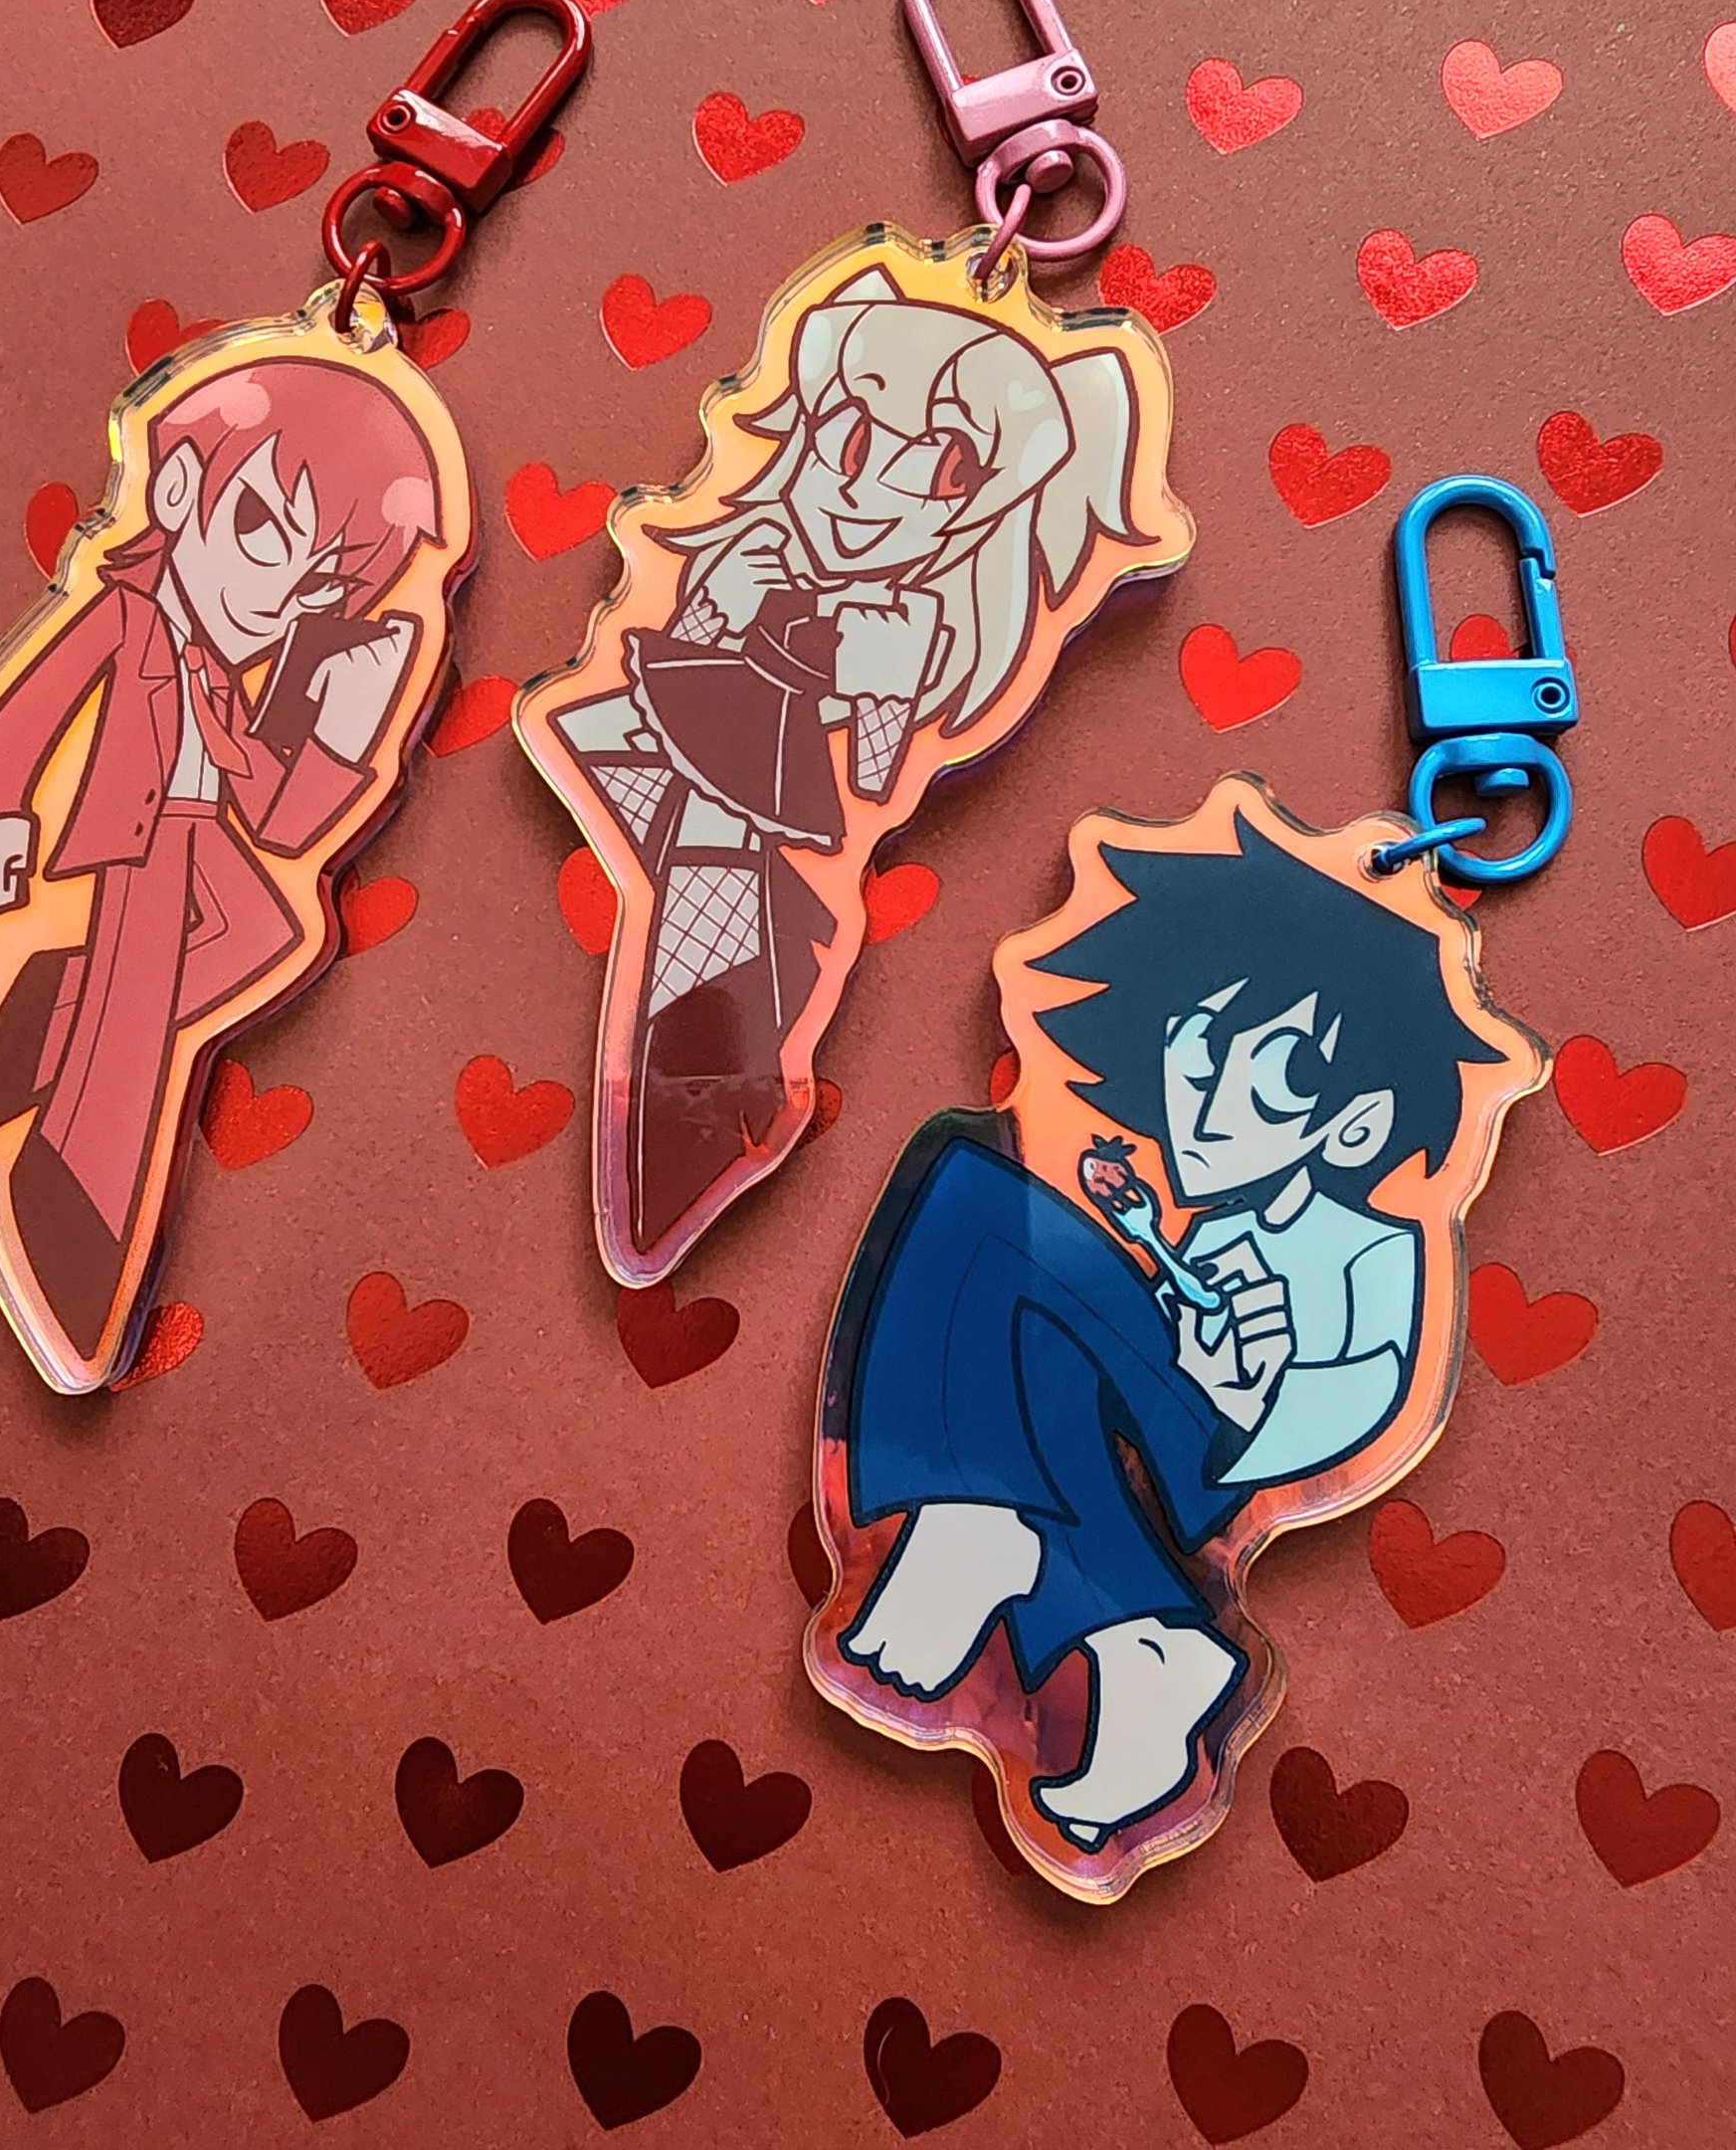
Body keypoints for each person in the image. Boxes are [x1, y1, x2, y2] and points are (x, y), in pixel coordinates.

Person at [836, 818, 1508, 1848]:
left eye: (1274, 1078)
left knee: (976, 1203)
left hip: (1234, 1449)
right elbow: (1157, 1337)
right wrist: (1158, 1269)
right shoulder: (1220, 1221)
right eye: (1195, 1054)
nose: (1208, 1108)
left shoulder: (1376, 1245)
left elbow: (1372, 1382)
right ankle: (1144, 1645)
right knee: (1025, 1321)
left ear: (1357, 1125)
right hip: (1173, 1417)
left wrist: (1256, 1401)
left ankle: (1004, 1537)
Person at [544, 263, 1141, 1263]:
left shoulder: (913, 627)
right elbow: (665, 672)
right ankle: (688, 1109)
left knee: (738, 910)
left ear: (986, 510)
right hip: (664, 756)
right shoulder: (748, 550)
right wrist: (720, 605)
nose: (869, 488)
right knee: (702, 890)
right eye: (851, 440)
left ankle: (693, 1109)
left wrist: (882, 689)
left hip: (775, 808)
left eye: (945, 470)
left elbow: (875, 784)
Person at [0, 355, 442, 1375]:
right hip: (131, 854)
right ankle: (70, 1237)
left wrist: (340, 729)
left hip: (200, 861)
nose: (276, 597)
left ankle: (11, 1069)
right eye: (264, 531)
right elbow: (24, 716)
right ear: (177, 488)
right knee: (128, 1046)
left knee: (237, 957)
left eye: (319, 583)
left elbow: (279, 821)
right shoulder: (119, 616)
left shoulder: (233, 678)